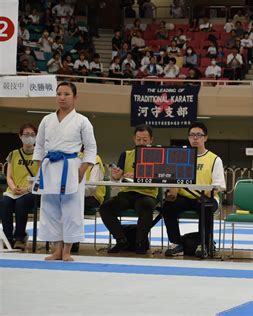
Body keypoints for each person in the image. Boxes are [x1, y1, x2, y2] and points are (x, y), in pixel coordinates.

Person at [33, 82, 97, 261]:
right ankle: (57, 250)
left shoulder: (82, 121)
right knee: (50, 209)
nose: (62, 97)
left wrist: (83, 168)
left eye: (67, 94)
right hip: (49, 166)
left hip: (71, 166)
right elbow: (39, 146)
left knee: (71, 209)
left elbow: (91, 148)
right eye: (59, 93)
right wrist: (40, 166)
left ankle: (68, 250)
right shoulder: (47, 120)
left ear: (75, 97)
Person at [163, 121, 226, 257]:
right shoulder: (178, 156)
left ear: (205, 138)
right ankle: (176, 243)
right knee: (167, 206)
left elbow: (219, 186)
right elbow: (174, 182)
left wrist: (206, 195)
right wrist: (172, 192)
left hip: (206, 197)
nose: (195, 138)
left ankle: (204, 245)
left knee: (206, 207)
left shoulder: (215, 159)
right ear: (188, 137)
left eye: (199, 135)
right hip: (184, 197)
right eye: (192, 135)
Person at [99, 125, 158, 254]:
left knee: (146, 206)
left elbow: (161, 177)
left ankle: (140, 243)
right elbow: (117, 176)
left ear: (151, 140)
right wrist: (115, 176)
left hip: (147, 194)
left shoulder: (157, 155)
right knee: (105, 208)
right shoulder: (125, 154)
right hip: (127, 193)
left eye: (145, 140)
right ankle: (121, 240)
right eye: (138, 139)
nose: (141, 143)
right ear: (134, 139)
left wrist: (137, 175)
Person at [1, 123, 39, 250]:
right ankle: (7, 238)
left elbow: (41, 177)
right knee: (5, 202)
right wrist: (13, 188)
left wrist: (27, 189)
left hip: (31, 191)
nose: (29, 137)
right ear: (20, 136)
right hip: (14, 190)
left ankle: (20, 237)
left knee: (21, 203)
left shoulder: (40, 155)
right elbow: (9, 176)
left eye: (32, 135)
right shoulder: (13, 154)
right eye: (26, 134)